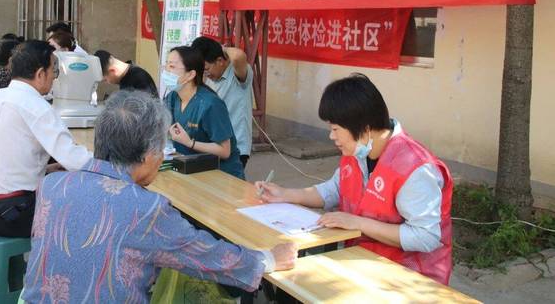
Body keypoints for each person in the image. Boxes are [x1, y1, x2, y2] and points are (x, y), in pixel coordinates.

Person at [23, 90, 296, 303]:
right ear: (147, 155)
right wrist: (269, 259)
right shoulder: (145, 207)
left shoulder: (53, 185)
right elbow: (206, 255)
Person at [256, 74, 453, 284]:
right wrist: (284, 194)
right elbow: (333, 191)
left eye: (335, 129)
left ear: (365, 128)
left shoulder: (416, 167)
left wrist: (357, 222)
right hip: (363, 263)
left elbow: (426, 237)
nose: (331, 137)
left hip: (410, 278)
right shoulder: (357, 153)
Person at [0, 40, 92, 237]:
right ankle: (56, 265)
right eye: (54, 71)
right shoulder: (37, 106)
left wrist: (46, 168)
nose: (54, 78)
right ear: (40, 74)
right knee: (86, 206)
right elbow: (76, 160)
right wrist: (112, 166)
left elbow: (1, 153)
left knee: (57, 177)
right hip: (12, 214)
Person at [163, 46, 245, 179]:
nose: (166, 71)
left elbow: (225, 151)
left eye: (171, 67)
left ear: (191, 74)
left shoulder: (210, 104)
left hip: (220, 175)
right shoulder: (173, 97)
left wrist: (190, 143)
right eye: (166, 65)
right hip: (190, 169)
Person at [191, 36, 254, 169]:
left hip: (236, 148)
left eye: (207, 68)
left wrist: (220, 49)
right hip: (214, 145)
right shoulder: (209, 78)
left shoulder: (238, 74)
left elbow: (238, 55)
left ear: (220, 60)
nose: (206, 73)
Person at [94, 49, 158, 97]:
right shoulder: (124, 78)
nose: (108, 82)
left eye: (105, 80)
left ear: (113, 70)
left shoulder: (140, 79)